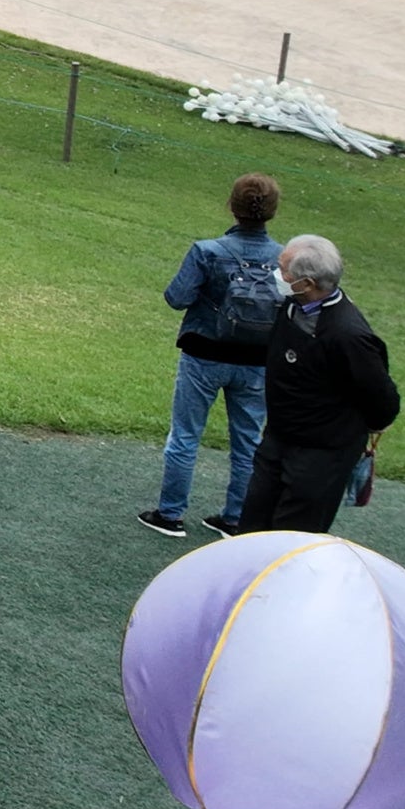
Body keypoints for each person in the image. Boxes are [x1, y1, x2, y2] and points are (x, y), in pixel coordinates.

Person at [142, 173, 284, 537]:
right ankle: (236, 518)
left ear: (232, 206)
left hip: (203, 355)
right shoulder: (284, 259)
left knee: (186, 436)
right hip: (256, 364)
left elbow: (176, 298)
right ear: (271, 212)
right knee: (248, 443)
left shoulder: (207, 251)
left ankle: (170, 514)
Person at [235, 235, 399, 535]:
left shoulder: (349, 336)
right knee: (252, 528)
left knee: (293, 536)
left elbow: (383, 401)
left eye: (282, 269)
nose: (276, 274)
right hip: (279, 439)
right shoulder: (292, 306)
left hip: (321, 455)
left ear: (307, 284)